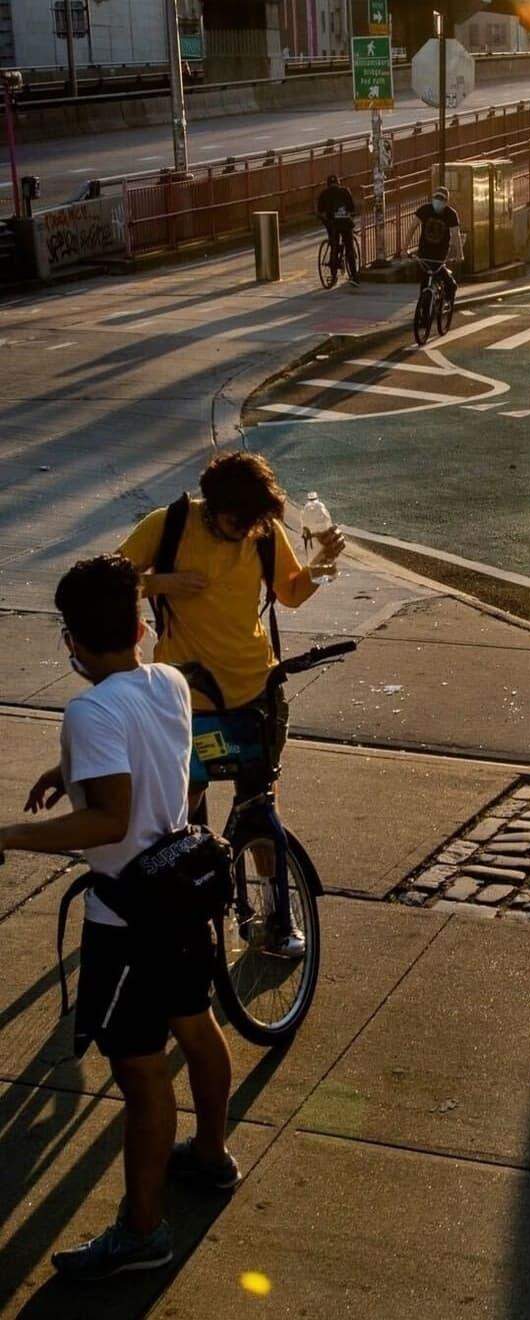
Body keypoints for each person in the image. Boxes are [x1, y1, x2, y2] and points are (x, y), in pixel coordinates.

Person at [0, 555, 238, 1281]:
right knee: (196, 1027)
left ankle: (142, 1231)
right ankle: (210, 1155)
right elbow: (147, 754)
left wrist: (8, 836)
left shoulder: (89, 709)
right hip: (180, 890)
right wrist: (67, 767)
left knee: (139, 1074)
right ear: (139, 626)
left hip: (128, 915)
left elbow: (106, 821)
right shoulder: (166, 678)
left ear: (70, 640)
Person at [117, 453, 345, 951]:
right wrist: (162, 583)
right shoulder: (170, 525)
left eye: (254, 522)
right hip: (187, 699)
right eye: (235, 522)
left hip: (255, 694)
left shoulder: (261, 531)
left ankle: (275, 916)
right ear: (212, 507)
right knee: (185, 805)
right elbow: (107, 580)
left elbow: (290, 593)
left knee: (259, 805)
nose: (245, 531)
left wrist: (323, 565)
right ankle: (183, 903)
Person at [406, 185, 463, 303]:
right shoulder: (424, 210)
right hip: (424, 252)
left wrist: (459, 254)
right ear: (432, 199)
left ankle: (447, 297)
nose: (438, 202)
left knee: (447, 280)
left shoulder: (451, 214)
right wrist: (404, 248)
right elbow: (412, 228)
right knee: (424, 282)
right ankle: (423, 309)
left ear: (446, 202)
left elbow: (456, 235)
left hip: (440, 254)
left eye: (442, 199)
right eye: (436, 198)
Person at [315, 172, 360, 283]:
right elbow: (352, 207)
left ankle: (333, 275)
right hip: (345, 222)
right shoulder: (345, 191)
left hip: (332, 224)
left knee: (334, 246)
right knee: (349, 248)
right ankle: (354, 276)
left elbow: (320, 210)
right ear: (338, 183)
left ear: (328, 184)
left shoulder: (324, 193)